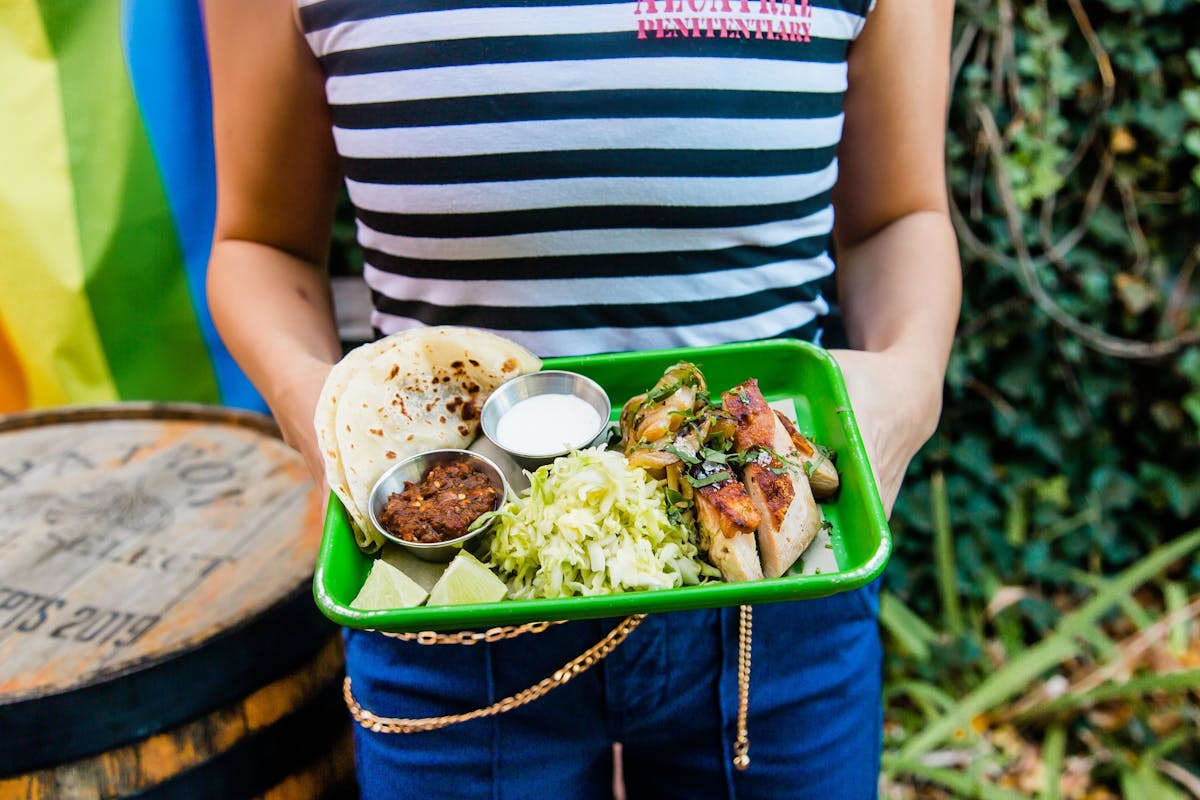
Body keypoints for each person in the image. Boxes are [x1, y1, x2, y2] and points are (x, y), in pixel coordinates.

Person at [203, 0, 960, 797]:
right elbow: (260, 242)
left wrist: (910, 387)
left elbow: (899, 216)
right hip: (448, 589)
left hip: (779, 596)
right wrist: (318, 415)